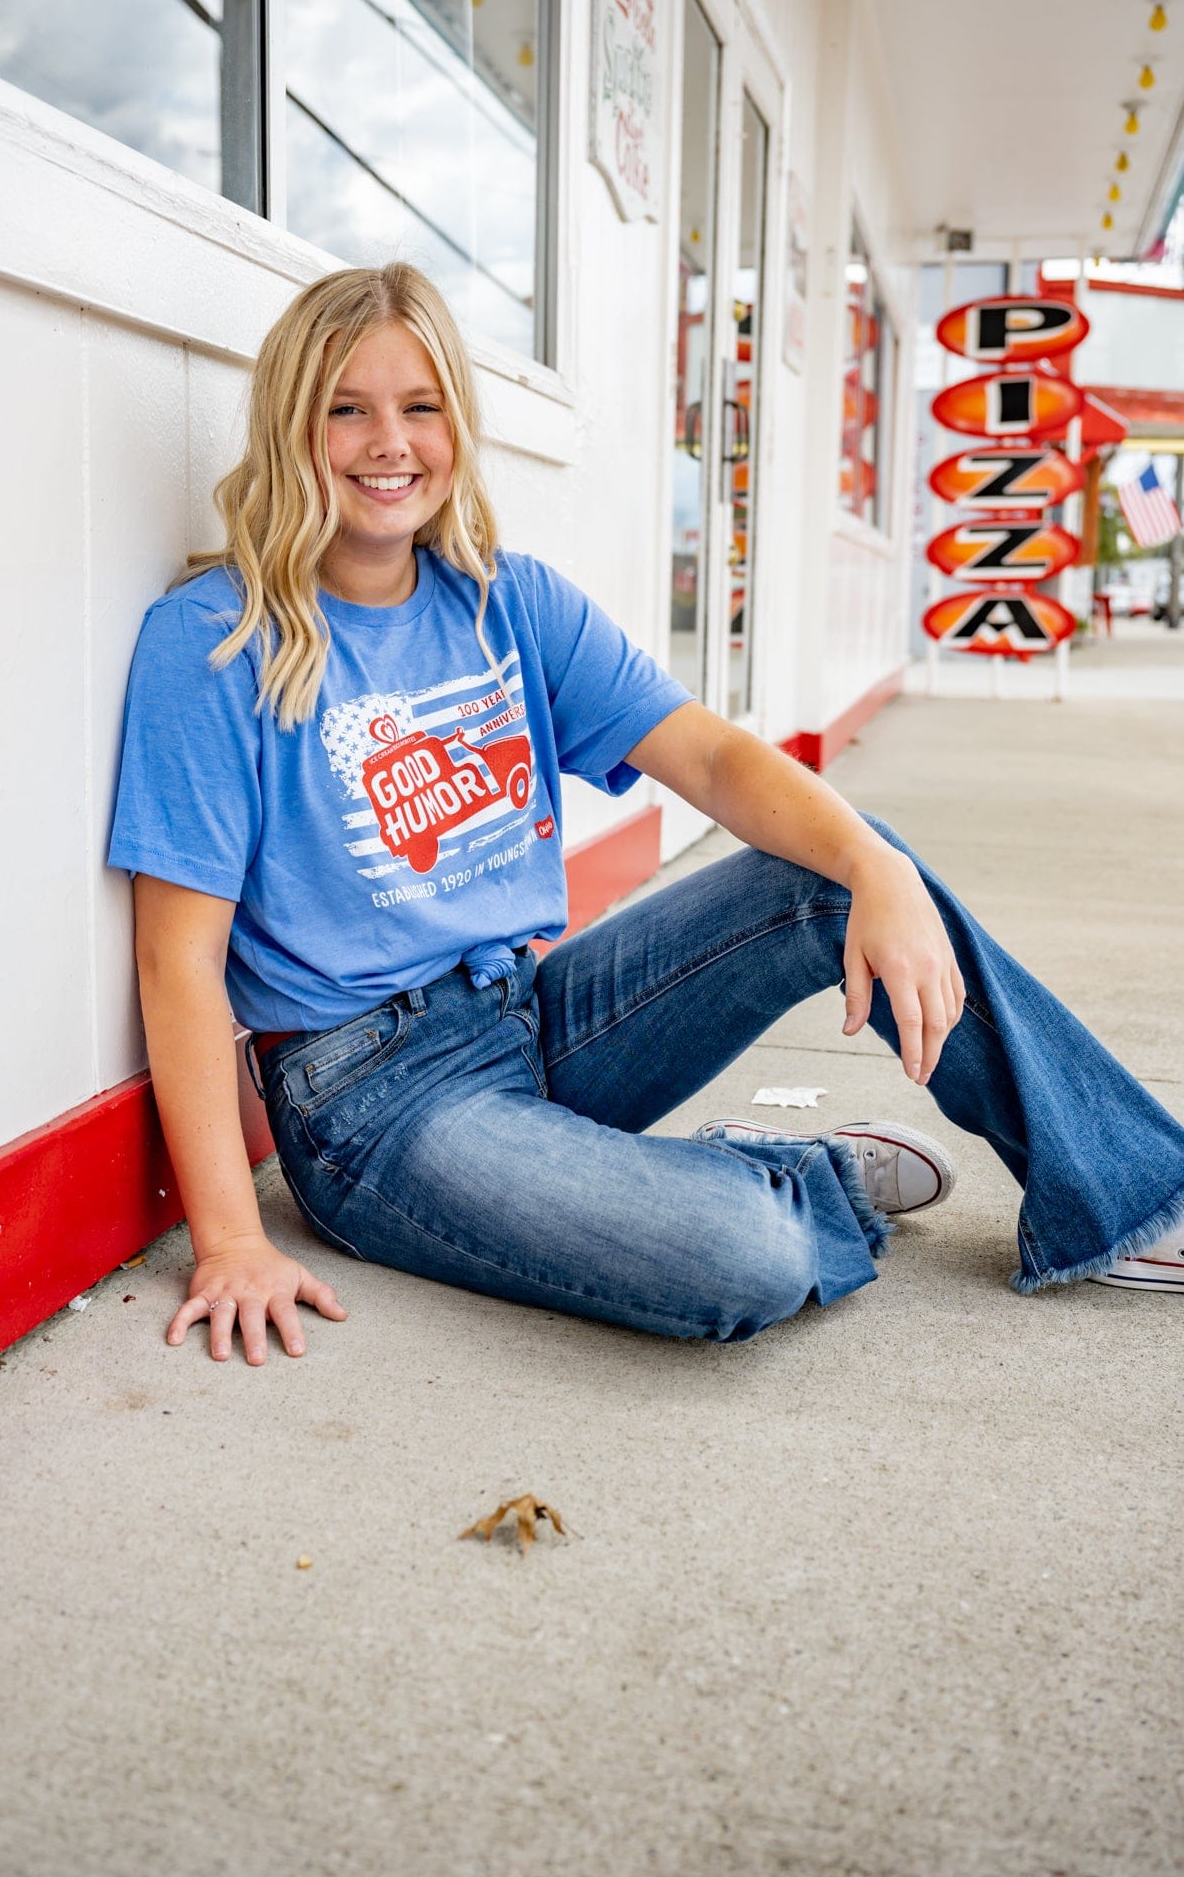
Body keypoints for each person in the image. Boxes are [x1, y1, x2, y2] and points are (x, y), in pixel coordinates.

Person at [106, 264, 1184, 1365]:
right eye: (347, 409)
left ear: (456, 425)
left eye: (419, 406)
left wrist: (876, 866)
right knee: (743, 1256)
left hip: (526, 1012)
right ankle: (785, 1176)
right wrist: (230, 1238)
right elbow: (175, 958)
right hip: (372, 1101)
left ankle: (1129, 1195)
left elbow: (710, 757)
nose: (390, 442)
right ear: (292, 425)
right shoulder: (217, 640)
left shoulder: (506, 599)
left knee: (851, 868)